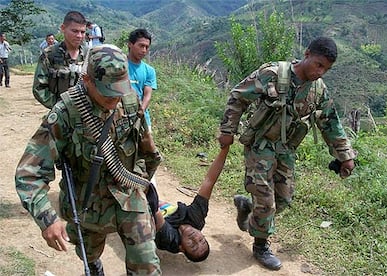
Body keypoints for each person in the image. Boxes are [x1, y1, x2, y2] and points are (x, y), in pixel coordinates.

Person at [15, 44, 161, 275]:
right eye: (107, 91)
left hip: (128, 197)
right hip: (86, 203)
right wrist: (47, 219)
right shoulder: (67, 112)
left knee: (146, 263)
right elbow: (28, 173)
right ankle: (94, 265)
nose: (115, 98)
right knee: (88, 255)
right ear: (87, 80)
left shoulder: (131, 102)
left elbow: (149, 153)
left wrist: (139, 182)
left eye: (119, 90)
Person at [218, 36, 357, 271]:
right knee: (266, 200)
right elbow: (238, 96)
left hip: (285, 150)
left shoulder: (318, 90)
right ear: (307, 54)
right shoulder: (273, 74)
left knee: (282, 199)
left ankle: (247, 209)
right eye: (318, 64)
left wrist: (346, 156)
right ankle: (261, 245)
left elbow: (331, 123)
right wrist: (227, 130)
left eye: (326, 69)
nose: (320, 72)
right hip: (260, 145)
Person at [154, 146, 230, 262]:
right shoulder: (196, 219)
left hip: (150, 215)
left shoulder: (170, 239)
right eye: (201, 240)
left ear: (181, 248)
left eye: (192, 245)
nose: (195, 238)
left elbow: (153, 207)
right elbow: (209, 181)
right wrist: (225, 148)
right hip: (165, 211)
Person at [33, 11, 89, 109]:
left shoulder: (90, 55)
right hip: (60, 114)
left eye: (82, 32)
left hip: (87, 113)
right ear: (63, 28)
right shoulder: (50, 54)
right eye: (75, 31)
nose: (79, 36)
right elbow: (39, 88)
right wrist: (60, 106)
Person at [127, 28, 161, 185]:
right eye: (141, 46)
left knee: (148, 158)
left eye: (147, 47)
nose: (144, 50)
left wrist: (140, 112)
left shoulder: (149, 71)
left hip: (142, 121)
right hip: (119, 120)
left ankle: (150, 196)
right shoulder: (119, 66)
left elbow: (147, 94)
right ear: (130, 45)